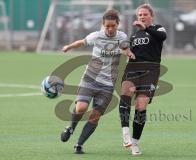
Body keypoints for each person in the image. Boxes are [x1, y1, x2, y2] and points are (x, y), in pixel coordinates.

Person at [60, 9, 135, 154]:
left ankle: (79, 144)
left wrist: (129, 53)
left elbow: (125, 49)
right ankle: (70, 127)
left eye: (113, 26)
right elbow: (81, 42)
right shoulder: (97, 36)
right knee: (81, 108)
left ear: (118, 24)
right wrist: (68, 47)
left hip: (107, 84)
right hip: (90, 78)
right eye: (107, 26)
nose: (110, 29)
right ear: (103, 25)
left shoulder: (122, 37)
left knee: (95, 116)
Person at [118, 4, 167, 155]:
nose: (142, 17)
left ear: (151, 16)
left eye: (145, 14)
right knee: (125, 95)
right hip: (133, 69)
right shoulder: (134, 35)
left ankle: (135, 143)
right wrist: (126, 50)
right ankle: (125, 132)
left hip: (151, 70)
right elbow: (125, 46)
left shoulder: (158, 29)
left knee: (141, 106)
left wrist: (145, 28)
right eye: (139, 15)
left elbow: (162, 37)